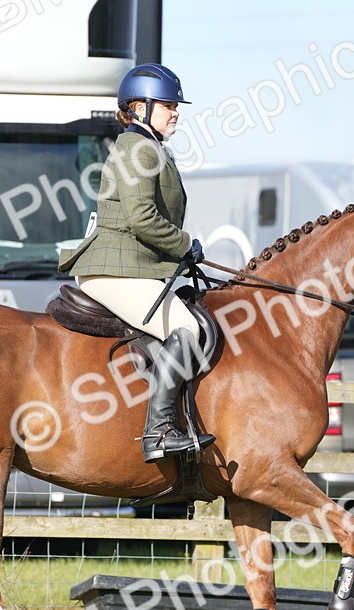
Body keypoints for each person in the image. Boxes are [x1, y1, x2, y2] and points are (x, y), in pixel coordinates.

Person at [59, 63, 214, 463]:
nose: (176, 111)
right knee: (185, 327)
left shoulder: (151, 147)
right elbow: (140, 217)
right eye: (167, 104)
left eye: (175, 105)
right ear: (139, 107)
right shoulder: (138, 147)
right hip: (113, 269)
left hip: (135, 266)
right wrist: (184, 244)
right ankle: (159, 432)